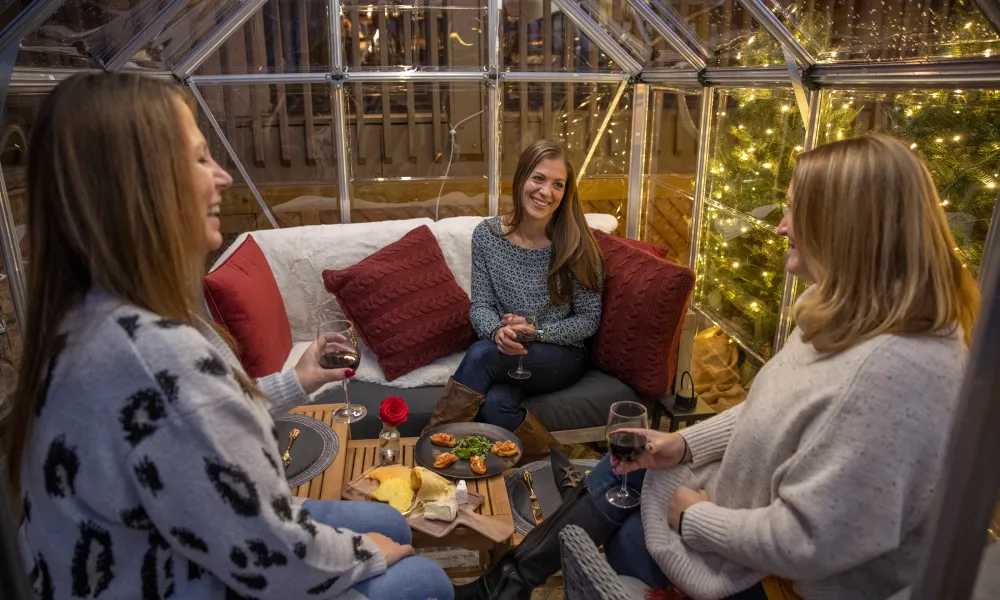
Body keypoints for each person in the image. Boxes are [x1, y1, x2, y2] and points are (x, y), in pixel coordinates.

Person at [455, 134, 980, 600]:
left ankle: (504, 575)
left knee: (612, 535)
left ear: (848, 227)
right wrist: (682, 444)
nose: (780, 226)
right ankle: (507, 582)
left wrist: (695, 517)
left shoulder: (897, 373)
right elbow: (766, 408)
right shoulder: (844, 314)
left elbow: (812, 541)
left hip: (763, 572)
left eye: (795, 210)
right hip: (721, 499)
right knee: (617, 473)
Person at [7, 72, 453, 600]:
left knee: (398, 525)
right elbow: (267, 557)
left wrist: (299, 379)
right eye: (199, 158)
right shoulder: (152, 353)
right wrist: (366, 556)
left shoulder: (92, 318)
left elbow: (196, 432)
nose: (222, 176)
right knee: (424, 576)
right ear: (137, 183)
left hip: (168, 548)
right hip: (189, 576)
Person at [423, 140, 604, 458]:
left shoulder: (577, 244)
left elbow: (589, 319)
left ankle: (429, 454)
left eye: (557, 184)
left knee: (480, 355)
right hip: (507, 352)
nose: (546, 192)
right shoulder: (487, 236)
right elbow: (480, 306)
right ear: (521, 179)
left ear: (565, 193)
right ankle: (562, 470)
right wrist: (498, 332)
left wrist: (539, 333)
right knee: (496, 404)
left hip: (560, 354)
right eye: (538, 178)